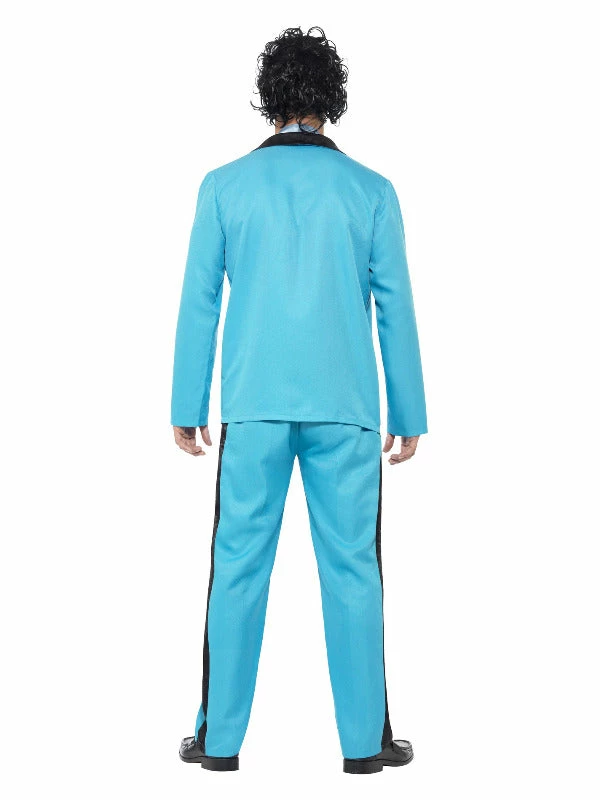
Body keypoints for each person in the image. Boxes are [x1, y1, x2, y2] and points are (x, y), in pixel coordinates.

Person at [171, 25, 428, 774]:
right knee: (354, 572)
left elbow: (199, 302)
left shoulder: (223, 186)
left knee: (236, 568)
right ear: (331, 98)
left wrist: (187, 401)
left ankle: (219, 743)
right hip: (346, 408)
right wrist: (409, 412)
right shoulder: (371, 191)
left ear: (268, 97)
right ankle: (365, 745)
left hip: (252, 405)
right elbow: (396, 306)